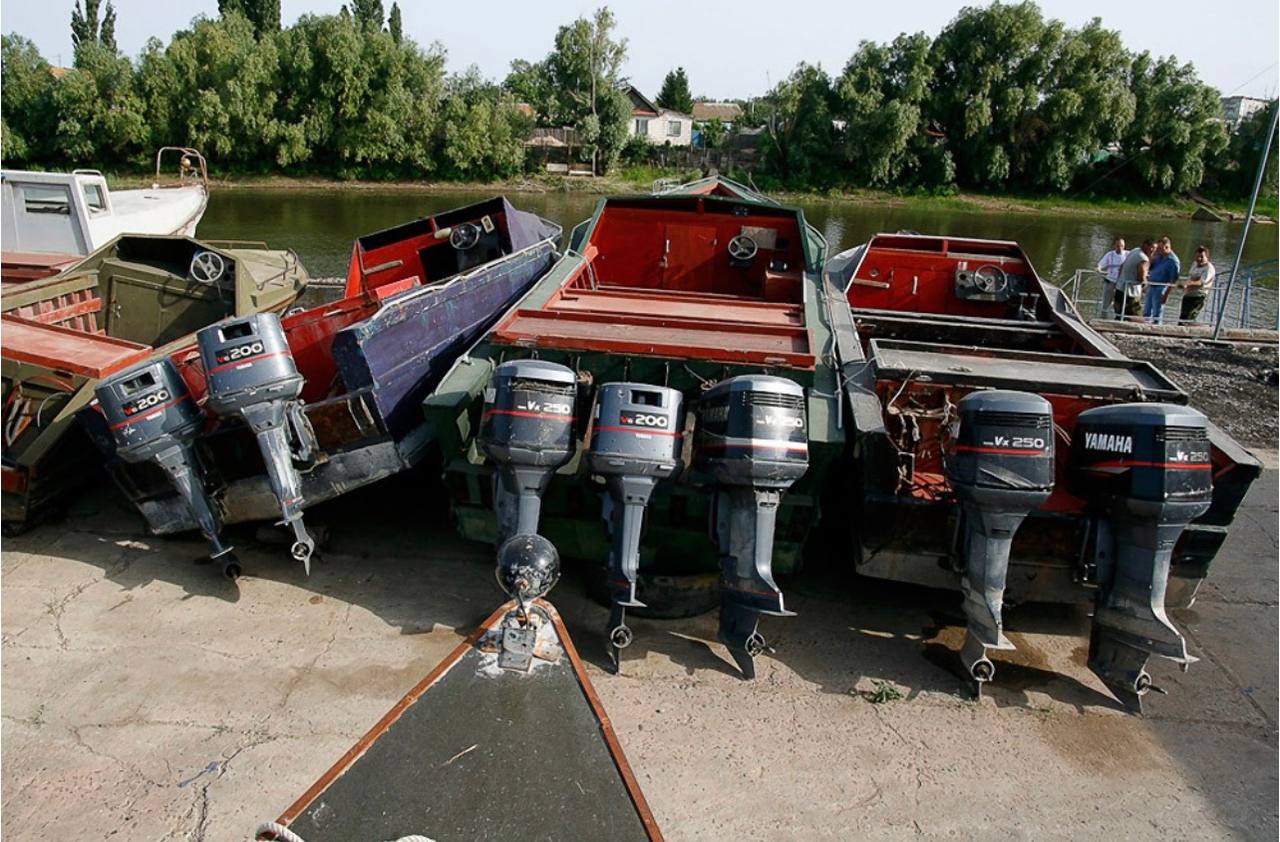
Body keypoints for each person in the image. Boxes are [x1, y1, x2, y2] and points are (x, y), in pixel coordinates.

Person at [1144, 236, 1181, 324]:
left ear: (1167, 247)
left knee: (1157, 313)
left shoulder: (1173, 261)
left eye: (1160, 248)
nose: (1158, 250)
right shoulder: (1159, 256)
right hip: (1152, 286)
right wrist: (1152, 255)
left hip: (1161, 288)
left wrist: (1166, 295)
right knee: (1146, 312)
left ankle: (1157, 329)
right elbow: (1150, 266)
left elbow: (1173, 280)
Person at [1114, 238, 1152, 320]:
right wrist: (1145, 284)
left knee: (1120, 315)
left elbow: (1122, 266)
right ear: (1146, 246)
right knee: (1136, 317)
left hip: (1120, 288)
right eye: (1152, 248)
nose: (1153, 251)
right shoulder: (1143, 258)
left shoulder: (1135, 250)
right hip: (1130, 293)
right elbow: (1141, 277)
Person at [1179, 245, 1215, 324]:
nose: (1199, 259)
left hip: (1198, 296)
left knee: (1189, 319)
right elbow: (1191, 277)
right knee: (1182, 319)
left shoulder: (1209, 268)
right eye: (1197, 256)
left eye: (1202, 257)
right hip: (1188, 295)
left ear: (1207, 257)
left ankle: (1190, 333)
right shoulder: (1195, 264)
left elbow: (1201, 282)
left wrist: (1187, 284)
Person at [1095, 237, 1128, 318]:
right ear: (1114, 246)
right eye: (1118, 246)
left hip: (1122, 283)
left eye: (1122, 246)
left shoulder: (1128, 254)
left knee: (1120, 302)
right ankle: (1103, 318)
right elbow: (1100, 264)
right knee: (1106, 302)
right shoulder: (1110, 254)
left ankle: (1119, 318)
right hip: (1110, 280)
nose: (1120, 248)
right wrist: (1098, 268)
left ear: (1124, 246)